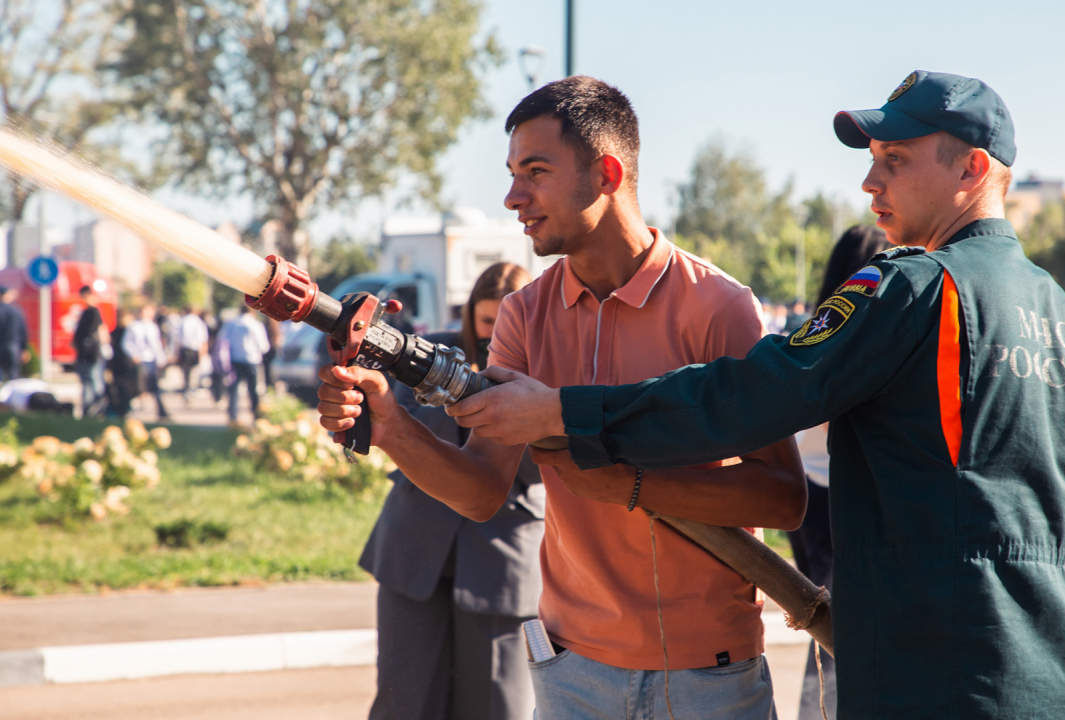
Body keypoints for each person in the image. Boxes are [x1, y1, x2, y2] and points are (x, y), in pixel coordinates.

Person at [449, 71, 1065, 719]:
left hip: (936, 675)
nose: (868, 180)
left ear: (971, 169)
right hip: (1056, 676)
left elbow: (749, 395)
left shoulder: (914, 288)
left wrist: (565, 412)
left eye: (895, 159)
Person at [318, 77, 806, 720]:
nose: (512, 196)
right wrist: (391, 429)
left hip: (706, 672)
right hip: (571, 670)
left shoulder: (716, 307)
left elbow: (783, 496)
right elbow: (482, 490)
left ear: (606, 174)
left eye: (535, 172)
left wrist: (627, 482)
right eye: (512, 173)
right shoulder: (523, 314)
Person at [359, 262, 543, 720]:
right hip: (416, 546)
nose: (495, 333)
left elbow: (549, 469)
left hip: (502, 557)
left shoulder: (549, 372)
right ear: (469, 317)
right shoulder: (429, 354)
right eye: (486, 322)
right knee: (404, 703)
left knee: (498, 706)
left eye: (508, 321)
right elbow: (392, 423)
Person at [786, 224, 890, 720]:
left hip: (806, 494)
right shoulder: (870, 338)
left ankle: (816, 710)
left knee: (818, 621)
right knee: (855, 628)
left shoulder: (815, 334)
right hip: (845, 495)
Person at [219, 305, 269, 423]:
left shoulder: (231, 323)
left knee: (234, 389)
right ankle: (257, 416)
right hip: (252, 360)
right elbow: (264, 346)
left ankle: (233, 416)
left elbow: (223, 339)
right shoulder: (255, 324)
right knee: (253, 389)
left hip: (235, 359)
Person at [123, 304, 170, 420]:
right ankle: (127, 411)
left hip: (151, 360)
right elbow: (126, 343)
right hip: (140, 360)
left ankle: (161, 412)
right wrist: (134, 354)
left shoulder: (152, 326)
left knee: (154, 387)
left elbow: (156, 345)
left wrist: (161, 359)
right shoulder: (134, 326)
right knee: (139, 386)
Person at [71, 285, 109, 417]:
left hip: (91, 354)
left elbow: (89, 334)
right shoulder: (88, 312)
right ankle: (90, 409)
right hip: (86, 354)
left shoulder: (93, 312)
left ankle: (94, 408)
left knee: (92, 381)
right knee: (89, 381)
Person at [107, 309, 139, 416]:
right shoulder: (120, 332)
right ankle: (122, 409)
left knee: (127, 387)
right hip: (120, 363)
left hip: (125, 363)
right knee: (121, 387)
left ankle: (124, 408)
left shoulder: (128, 331)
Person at [177, 306, 209, 400]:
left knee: (186, 371)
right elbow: (203, 338)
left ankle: (187, 388)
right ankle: (192, 389)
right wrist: (203, 352)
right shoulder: (198, 322)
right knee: (195, 370)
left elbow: (178, 337)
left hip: (185, 348)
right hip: (195, 348)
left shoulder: (182, 320)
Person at [0, 286, 29, 382]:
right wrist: (24, 349)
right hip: (13, 346)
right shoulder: (16, 310)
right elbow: (23, 330)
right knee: (13, 375)